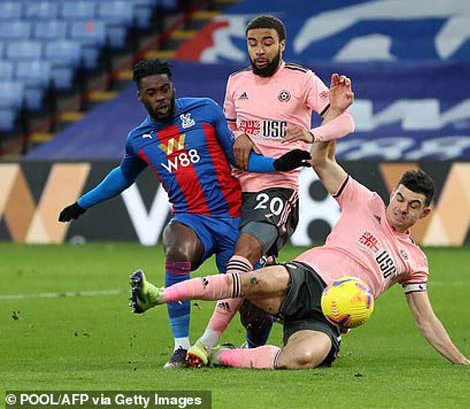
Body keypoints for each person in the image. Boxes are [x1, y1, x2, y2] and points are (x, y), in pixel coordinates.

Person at [129, 75, 470, 369]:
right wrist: (335, 113)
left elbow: (426, 320)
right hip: (304, 278)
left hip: (331, 315)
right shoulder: (365, 202)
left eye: (412, 206)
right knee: (250, 278)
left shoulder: (414, 261)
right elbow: (322, 162)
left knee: (302, 359)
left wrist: (462, 360)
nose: (401, 208)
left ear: (424, 214)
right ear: (393, 194)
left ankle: (221, 356)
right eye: (400, 198)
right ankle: (160, 296)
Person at [58, 59, 311, 369]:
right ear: (141, 96)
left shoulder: (204, 111)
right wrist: (81, 204)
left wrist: (278, 163)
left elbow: (239, 157)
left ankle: (252, 348)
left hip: (234, 219)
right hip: (193, 220)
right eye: (152, 92)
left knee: (255, 297)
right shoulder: (139, 140)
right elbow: (122, 177)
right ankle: (180, 348)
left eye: (165, 89)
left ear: (173, 87)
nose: (161, 97)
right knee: (176, 246)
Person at [189, 14, 355, 361]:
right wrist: (240, 136)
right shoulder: (236, 82)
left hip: (278, 188)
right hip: (237, 188)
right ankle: (253, 349)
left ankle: (201, 346)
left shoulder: (302, 80)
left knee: (243, 256)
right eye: (252, 43)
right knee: (250, 287)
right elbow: (230, 131)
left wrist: (313, 135)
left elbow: (345, 120)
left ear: (282, 44)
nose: (259, 50)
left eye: (267, 42)